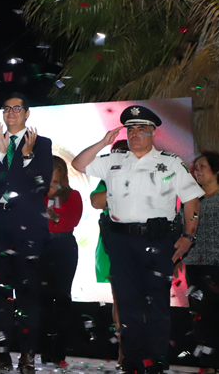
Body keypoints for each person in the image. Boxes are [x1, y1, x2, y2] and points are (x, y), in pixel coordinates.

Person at [71, 105, 202, 374]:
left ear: (153, 133)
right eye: (131, 129)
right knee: (127, 305)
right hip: (121, 242)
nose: (135, 134)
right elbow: (78, 164)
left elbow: (191, 199)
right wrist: (103, 142)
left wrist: (189, 236)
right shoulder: (113, 160)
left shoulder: (170, 162)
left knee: (156, 306)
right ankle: (132, 360)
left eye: (142, 129)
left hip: (159, 240)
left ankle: (156, 361)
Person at [0, 93, 53, 374]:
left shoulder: (42, 144)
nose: (11, 112)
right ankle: (2, 353)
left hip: (28, 230)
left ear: (27, 113)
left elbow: (42, 184)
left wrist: (27, 155)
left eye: (17, 108)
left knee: (28, 293)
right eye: (7, 108)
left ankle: (28, 355)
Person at [38, 156, 82, 367]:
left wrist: (55, 217)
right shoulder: (37, 195)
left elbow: (73, 220)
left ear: (61, 173)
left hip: (63, 246)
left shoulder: (72, 195)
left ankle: (61, 350)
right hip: (42, 247)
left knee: (62, 296)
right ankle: (45, 349)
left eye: (54, 170)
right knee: (44, 299)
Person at [90, 139, 129, 367]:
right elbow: (96, 201)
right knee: (119, 299)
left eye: (122, 153)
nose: (117, 156)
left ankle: (142, 351)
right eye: (114, 153)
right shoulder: (107, 178)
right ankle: (123, 352)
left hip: (141, 247)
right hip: (112, 246)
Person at [186, 150, 219, 372]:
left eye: (202, 166)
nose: (197, 170)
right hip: (196, 266)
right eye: (196, 167)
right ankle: (208, 365)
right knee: (201, 318)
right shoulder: (192, 199)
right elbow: (183, 230)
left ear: (217, 170)